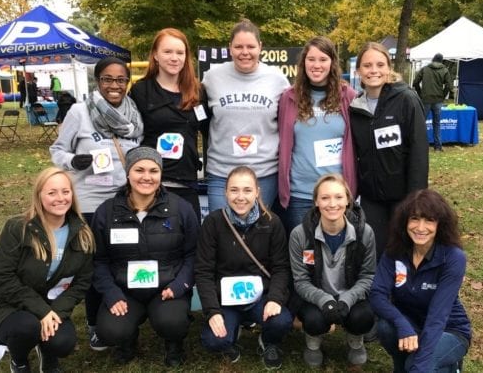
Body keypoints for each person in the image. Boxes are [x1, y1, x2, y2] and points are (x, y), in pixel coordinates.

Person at [49, 56, 143, 352]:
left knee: (121, 259)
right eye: (107, 79)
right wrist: (72, 161)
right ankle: (94, 324)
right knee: (92, 265)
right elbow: (57, 150)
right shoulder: (79, 112)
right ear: (97, 81)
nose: (114, 86)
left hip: (123, 201)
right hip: (89, 201)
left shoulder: (134, 114)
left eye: (120, 80)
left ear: (127, 83)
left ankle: (122, 315)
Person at [90, 147, 198, 367]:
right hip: (125, 290)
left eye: (153, 171)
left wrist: (179, 286)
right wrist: (111, 294)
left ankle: (174, 343)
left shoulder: (181, 208)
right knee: (111, 330)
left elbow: (193, 254)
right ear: (128, 173)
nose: (146, 177)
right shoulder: (107, 212)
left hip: (167, 289)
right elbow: (98, 260)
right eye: (139, 170)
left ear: (161, 175)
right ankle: (126, 340)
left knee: (173, 322)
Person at [0, 167, 95, 373]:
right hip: (11, 305)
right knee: (26, 328)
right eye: (51, 192)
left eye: (65, 191)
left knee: (63, 343)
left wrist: (56, 312)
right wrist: (41, 311)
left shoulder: (83, 232)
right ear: (39, 196)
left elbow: (82, 281)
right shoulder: (18, 227)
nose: (60, 198)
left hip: (53, 305)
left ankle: (49, 355)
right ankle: (19, 360)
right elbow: (0, 277)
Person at [195, 166, 293, 370]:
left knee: (281, 321)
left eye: (247, 190)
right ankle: (230, 336)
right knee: (214, 340)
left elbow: (281, 267)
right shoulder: (213, 223)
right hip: (226, 302)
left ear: (257, 191)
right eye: (234, 190)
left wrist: (274, 299)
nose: (241, 197)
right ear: (225, 192)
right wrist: (213, 311)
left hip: (261, 298)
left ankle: (269, 342)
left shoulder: (272, 223)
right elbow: (203, 272)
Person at [370, 189, 471, 373]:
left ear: (440, 224)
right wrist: (402, 324)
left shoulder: (454, 258)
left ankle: (450, 367)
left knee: (419, 366)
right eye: (415, 218)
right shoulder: (395, 251)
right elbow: (377, 294)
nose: (420, 227)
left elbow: (437, 316)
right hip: (411, 323)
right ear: (405, 221)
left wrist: (420, 367)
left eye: (429, 220)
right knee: (386, 328)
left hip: (448, 329)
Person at [348, 42, 429, 259]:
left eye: (380, 64)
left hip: (403, 197)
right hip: (372, 198)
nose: (374, 70)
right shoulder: (355, 108)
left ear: (389, 67)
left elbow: (419, 153)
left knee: (403, 252)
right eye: (367, 65)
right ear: (358, 71)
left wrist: (416, 200)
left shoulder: (406, 99)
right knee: (374, 252)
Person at [202, 19, 290, 212]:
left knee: (257, 234)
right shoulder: (212, 77)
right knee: (222, 232)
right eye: (238, 46)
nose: (245, 52)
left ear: (260, 47)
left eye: (250, 46)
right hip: (222, 173)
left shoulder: (277, 79)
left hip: (263, 173)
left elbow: (289, 121)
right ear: (230, 48)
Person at [288, 174, 376, 367]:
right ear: (316, 202)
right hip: (315, 296)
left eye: (338, 197)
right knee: (313, 320)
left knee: (364, 316)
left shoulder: (365, 232)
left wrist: (348, 298)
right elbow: (300, 280)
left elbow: (368, 276)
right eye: (325, 198)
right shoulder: (299, 234)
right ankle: (313, 344)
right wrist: (323, 299)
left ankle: (355, 341)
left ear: (348, 200)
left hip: (351, 296)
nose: (332, 203)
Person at [277, 36, 357, 233]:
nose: (316, 65)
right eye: (311, 59)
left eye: (323, 59)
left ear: (333, 63)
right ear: (303, 62)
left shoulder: (348, 96)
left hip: (336, 196)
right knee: (304, 256)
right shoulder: (289, 97)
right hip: (300, 194)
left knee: (338, 257)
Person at [129, 28, 208, 220]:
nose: (174, 58)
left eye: (180, 53)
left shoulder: (197, 91)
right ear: (155, 55)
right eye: (168, 52)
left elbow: (209, 130)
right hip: (151, 184)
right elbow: (130, 136)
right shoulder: (141, 90)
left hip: (187, 183)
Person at [413, 53, 452, 151]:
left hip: (425, 99)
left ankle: (418, 145)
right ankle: (438, 146)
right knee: (437, 123)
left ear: (433, 59)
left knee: (421, 123)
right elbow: (449, 86)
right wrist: (443, 95)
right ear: (441, 61)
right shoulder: (445, 70)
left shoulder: (425, 69)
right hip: (438, 100)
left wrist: (420, 94)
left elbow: (415, 82)